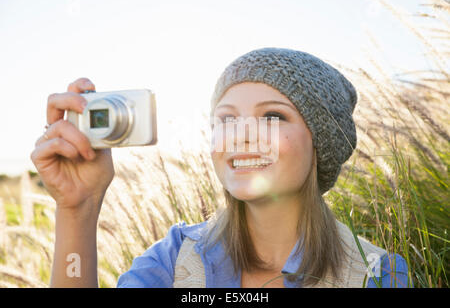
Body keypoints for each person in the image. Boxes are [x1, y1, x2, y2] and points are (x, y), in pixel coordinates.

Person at [31, 47, 411, 288]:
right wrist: (77, 209)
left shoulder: (375, 273)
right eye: (226, 120)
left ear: (321, 143)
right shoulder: (174, 258)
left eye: (273, 117)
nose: (241, 136)